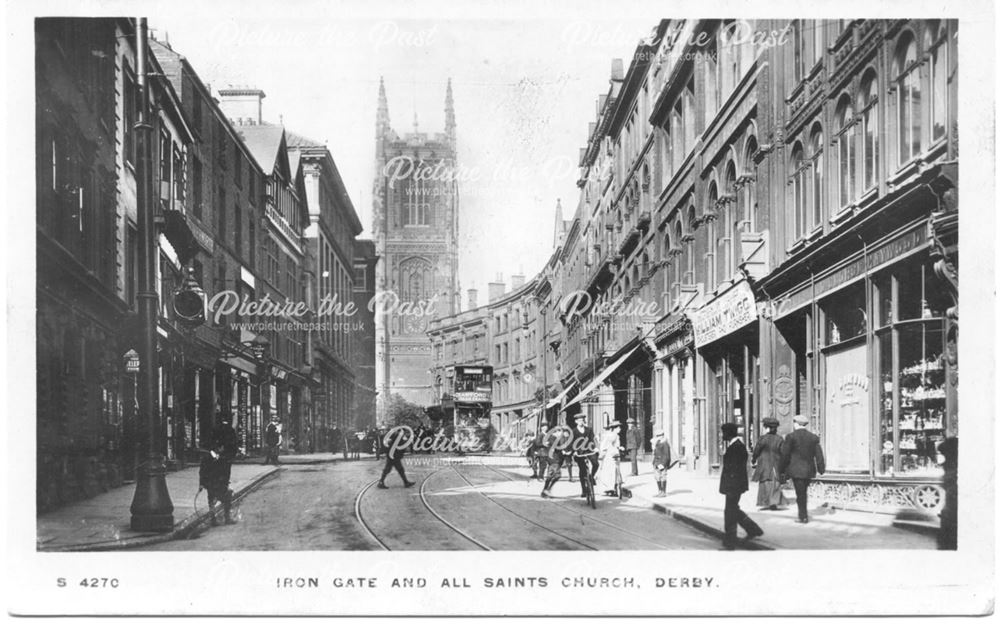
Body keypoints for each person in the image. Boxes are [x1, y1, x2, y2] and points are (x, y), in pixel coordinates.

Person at [719, 422, 763, 549]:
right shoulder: (736, 446)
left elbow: (735, 470)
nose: (722, 435)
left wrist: (730, 487)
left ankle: (730, 541)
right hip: (734, 485)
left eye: (724, 432)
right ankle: (753, 529)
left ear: (729, 433)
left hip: (733, 486)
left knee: (730, 512)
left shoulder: (737, 447)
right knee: (733, 510)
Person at [779, 414, 826, 524]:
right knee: (803, 492)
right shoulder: (813, 437)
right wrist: (821, 468)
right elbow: (819, 454)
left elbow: (785, 454)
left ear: (796, 423)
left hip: (796, 470)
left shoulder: (791, 437)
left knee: (800, 494)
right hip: (809, 470)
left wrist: (781, 469)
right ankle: (803, 514)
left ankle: (803, 516)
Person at [199, 415, 240, 526]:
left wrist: (202, 483)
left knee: (212, 497)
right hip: (219, 477)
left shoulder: (209, 455)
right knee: (225, 495)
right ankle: (225, 518)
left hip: (213, 479)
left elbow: (202, 470)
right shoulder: (229, 433)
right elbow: (233, 448)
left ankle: (214, 519)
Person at [752, 417, 788, 510]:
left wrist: (753, 459)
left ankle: (765, 501)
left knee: (765, 483)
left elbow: (756, 451)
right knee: (775, 483)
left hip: (764, 465)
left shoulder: (762, 439)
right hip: (775, 465)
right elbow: (783, 452)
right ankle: (774, 502)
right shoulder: (779, 439)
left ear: (767, 428)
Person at [570, 413, 599, 498]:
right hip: (579, 452)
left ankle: (591, 477)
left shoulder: (589, 429)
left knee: (596, 464)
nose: (581, 422)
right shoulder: (573, 431)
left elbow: (593, 439)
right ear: (576, 421)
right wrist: (574, 451)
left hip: (589, 450)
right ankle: (583, 490)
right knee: (582, 470)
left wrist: (596, 448)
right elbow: (571, 443)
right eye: (579, 420)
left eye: (582, 420)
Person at [540, 425, 571, 498]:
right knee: (557, 475)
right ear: (556, 432)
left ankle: (545, 491)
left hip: (555, 459)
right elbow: (555, 447)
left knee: (551, 476)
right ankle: (547, 490)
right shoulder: (553, 438)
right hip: (554, 459)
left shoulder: (556, 438)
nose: (561, 433)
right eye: (560, 431)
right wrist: (563, 451)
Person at [595, 420, 623, 496]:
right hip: (611, 454)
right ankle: (610, 488)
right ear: (614, 428)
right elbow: (606, 445)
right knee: (611, 470)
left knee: (612, 470)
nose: (620, 429)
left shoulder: (614, 435)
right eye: (618, 428)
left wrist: (619, 447)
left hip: (612, 454)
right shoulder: (612, 435)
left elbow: (612, 445)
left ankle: (611, 487)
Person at [652, 430, 672, 498]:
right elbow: (655, 453)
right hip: (657, 462)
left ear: (662, 435)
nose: (658, 437)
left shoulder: (665, 443)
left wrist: (663, 464)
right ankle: (660, 491)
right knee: (657, 477)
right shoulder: (658, 442)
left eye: (659, 435)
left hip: (662, 463)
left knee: (663, 476)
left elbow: (667, 455)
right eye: (657, 436)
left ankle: (663, 492)